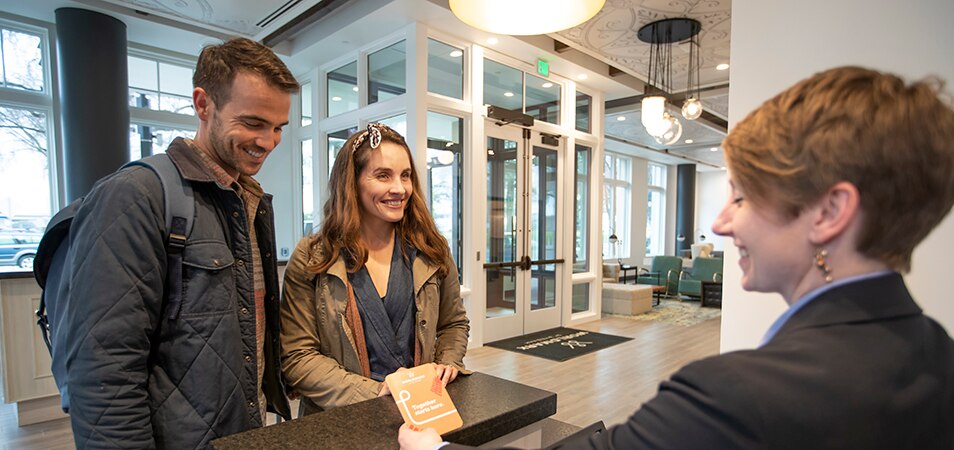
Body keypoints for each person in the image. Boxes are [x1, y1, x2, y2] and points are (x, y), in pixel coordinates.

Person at [399, 66, 954, 449]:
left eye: (743, 195)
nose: (721, 221)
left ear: (830, 211)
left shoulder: (737, 397)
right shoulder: (936, 352)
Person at [64, 37, 299, 448]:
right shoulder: (134, 196)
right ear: (203, 104)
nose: (268, 141)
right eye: (253, 123)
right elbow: (103, 373)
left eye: (278, 127)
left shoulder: (252, 200)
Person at [281, 123, 470, 416]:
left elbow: (453, 323)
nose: (399, 189)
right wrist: (376, 392)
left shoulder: (431, 249)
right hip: (342, 418)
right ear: (351, 182)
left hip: (423, 410)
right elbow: (297, 356)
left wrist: (448, 361)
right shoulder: (314, 256)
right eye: (383, 176)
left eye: (405, 176)